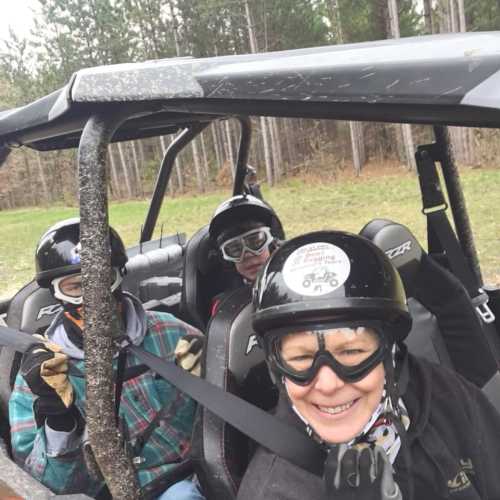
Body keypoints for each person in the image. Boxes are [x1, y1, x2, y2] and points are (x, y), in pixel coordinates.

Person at [237, 230, 500, 500]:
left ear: (390, 350)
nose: (328, 384)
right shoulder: (272, 490)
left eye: (351, 352)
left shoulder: (442, 397)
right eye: (301, 359)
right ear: (276, 368)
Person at [9, 218, 205, 500]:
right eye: (75, 288)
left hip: (180, 481)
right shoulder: (41, 374)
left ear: (119, 276)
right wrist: (59, 421)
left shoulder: (175, 334)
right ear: (55, 294)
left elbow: (217, 437)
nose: (94, 302)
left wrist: (199, 386)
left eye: (102, 281)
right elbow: (46, 487)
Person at [208, 194, 283, 315]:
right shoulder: (224, 306)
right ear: (227, 260)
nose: (247, 255)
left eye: (256, 241)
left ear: (272, 242)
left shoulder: (297, 277)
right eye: (234, 249)